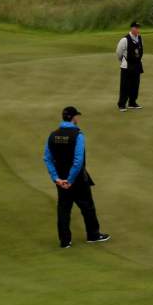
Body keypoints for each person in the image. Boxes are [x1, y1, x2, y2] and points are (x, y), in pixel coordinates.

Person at [43, 106, 110, 248]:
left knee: (63, 210)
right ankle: (93, 235)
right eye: (77, 116)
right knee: (87, 207)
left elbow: (47, 159)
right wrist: (70, 180)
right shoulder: (78, 135)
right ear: (73, 118)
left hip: (61, 181)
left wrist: (57, 179)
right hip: (77, 180)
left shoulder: (52, 135)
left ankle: (65, 241)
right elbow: (78, 160)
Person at [115, 21, 144, 111]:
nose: (137, 29)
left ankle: (132, 102)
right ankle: (122, 104)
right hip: (127, 65)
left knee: (135, 85)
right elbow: (119, 53)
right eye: (136, 27)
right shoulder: (125, 39)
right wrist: (123, 61)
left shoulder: (140, 38)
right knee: (125, 85)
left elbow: (141, 50)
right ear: (132, 28)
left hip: (137, 65)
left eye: (138, 28)